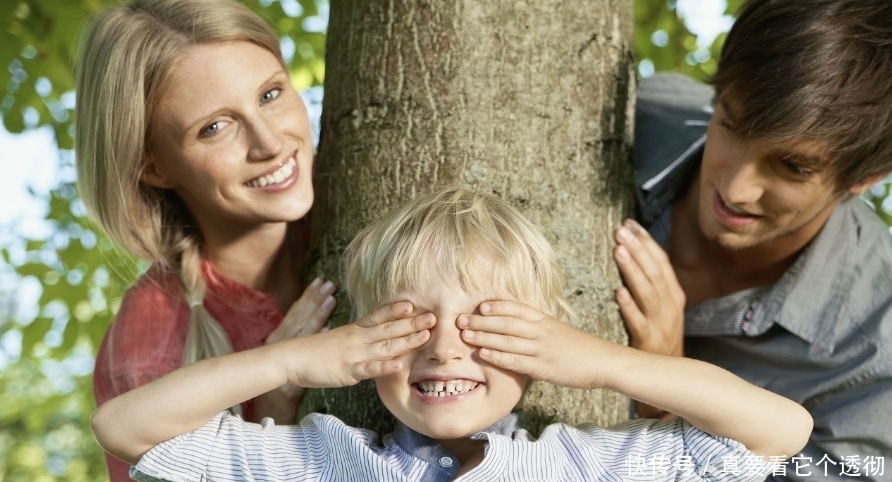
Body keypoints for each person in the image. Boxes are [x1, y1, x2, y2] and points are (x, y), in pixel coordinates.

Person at [91, 187, 811, 482]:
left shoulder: (580, 466)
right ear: (363, 346)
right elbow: (129, 428)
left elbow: (780, 430)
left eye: (484, 325)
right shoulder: (321, 462)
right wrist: (292, 362)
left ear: (538, 345)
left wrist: (601, 365)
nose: (444, 349)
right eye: (411, 323)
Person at [614, 0, 892, 479]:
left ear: (865, 177)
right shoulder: (640, 120)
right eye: (731, 124)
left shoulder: (872, 351)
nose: (736, 188)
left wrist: (667, 390)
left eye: (793, 166)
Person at [75, 1, 336, 480]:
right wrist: (275, 406)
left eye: (271, 94)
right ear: (153, 166)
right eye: (215, 127)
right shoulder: (152, 344)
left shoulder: (352, 193)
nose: (270, 143)